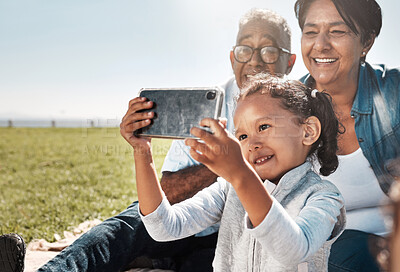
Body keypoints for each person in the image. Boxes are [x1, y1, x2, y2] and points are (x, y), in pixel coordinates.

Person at [35, 8, 296, 272]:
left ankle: (157, 261)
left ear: (290, 62)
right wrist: (225, 161)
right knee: (126, 227)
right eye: (245, 49)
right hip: (183, 220)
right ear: (232, 58)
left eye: (269, 51)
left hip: (242, 235)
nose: (254, 61)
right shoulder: (206, 107)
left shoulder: (301, 116)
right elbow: (169, 192)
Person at [121, 74, 345, 271]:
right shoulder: (229, 190)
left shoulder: (324, 197)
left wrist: (241, 175)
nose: (251, 144)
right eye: (242, 137)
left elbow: (293, 251)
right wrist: (143, 152)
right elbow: (164, 227)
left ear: (308, 131)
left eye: (264, 126)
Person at [294, 0, 400, 271]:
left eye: (337, 31)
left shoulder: (394, 93)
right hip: (325, 250)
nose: (321, 45)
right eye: (311, 31)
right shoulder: (284, 109)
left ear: (366, 42)